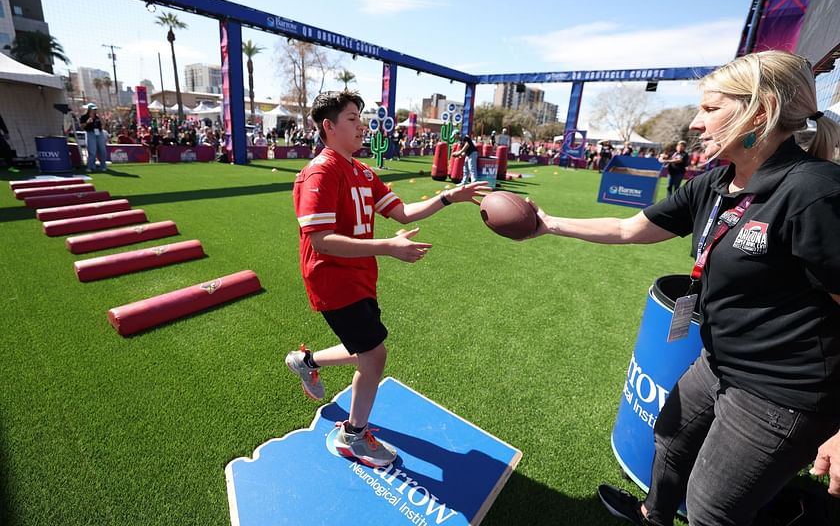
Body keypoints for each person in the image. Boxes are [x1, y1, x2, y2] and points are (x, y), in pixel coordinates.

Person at [524, 51, 840, 525]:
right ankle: (653, 515)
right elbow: (631, 229)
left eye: (711, 109)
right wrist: (548, 225)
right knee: (670, 440)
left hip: (783, 390)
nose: (696, 123)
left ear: (761, 111)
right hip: (718, 360)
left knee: (713, 511)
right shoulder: (716, 183)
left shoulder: (815, 192)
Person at [285, 90, 489, 467]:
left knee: (366, 348)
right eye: (351, 118)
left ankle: (306, 361)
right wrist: (387, 246)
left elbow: (404, 212)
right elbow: (321, 241)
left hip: (360, 274)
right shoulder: (320, 171)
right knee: (375, 355)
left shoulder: (362, 171)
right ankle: (354, 435)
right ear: (328, 127)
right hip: (332, 277)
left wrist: (448, 197)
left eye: (360, 117)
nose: (361, 125)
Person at [80, 103, 107, 172]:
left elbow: (101, 126)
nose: (95, 111)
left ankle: (103, 166)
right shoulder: (84, 117)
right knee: (92, 151)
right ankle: (90, 167)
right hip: (90, 133)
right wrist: (87, 122)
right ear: (89, 109)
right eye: (93, 109)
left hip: (99, 133)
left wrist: (102, 120)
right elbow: (82, 127)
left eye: (95, 109)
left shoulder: (97, 117)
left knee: (102, 150)